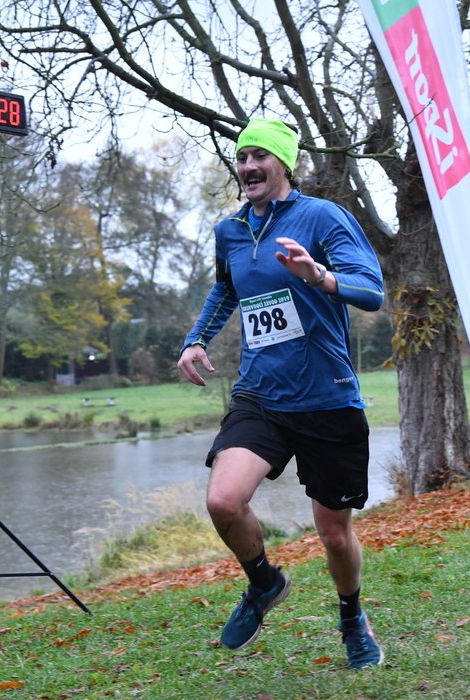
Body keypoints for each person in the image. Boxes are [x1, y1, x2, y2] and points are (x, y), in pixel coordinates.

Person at [177, 117, 386, 669]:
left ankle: (351, 616)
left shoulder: (323, 217)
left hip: (326, 397)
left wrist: (319, 276)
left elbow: (371, 291)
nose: (248, 166)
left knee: (335, 536)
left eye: (259, 157)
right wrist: (196, 338)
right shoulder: (231, 231)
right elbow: (226, 287)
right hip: (261, 394)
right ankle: (264, 582)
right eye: (242, 157)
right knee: (223, 499)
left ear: (283, 164)